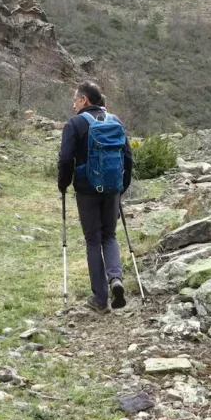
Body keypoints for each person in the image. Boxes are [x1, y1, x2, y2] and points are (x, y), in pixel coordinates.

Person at [57, 81, 134, 314]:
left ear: (85, 100)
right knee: (109, 236)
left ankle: (100, 299)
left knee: (93, 241)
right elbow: (128, 157)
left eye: (75, 99)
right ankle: (116, 279)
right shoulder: (115, 121)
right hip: (112, 189)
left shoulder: (75, 123)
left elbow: (65, 158)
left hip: (87, 189)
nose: (73, 104)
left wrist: (63, 184)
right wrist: (122, 186)